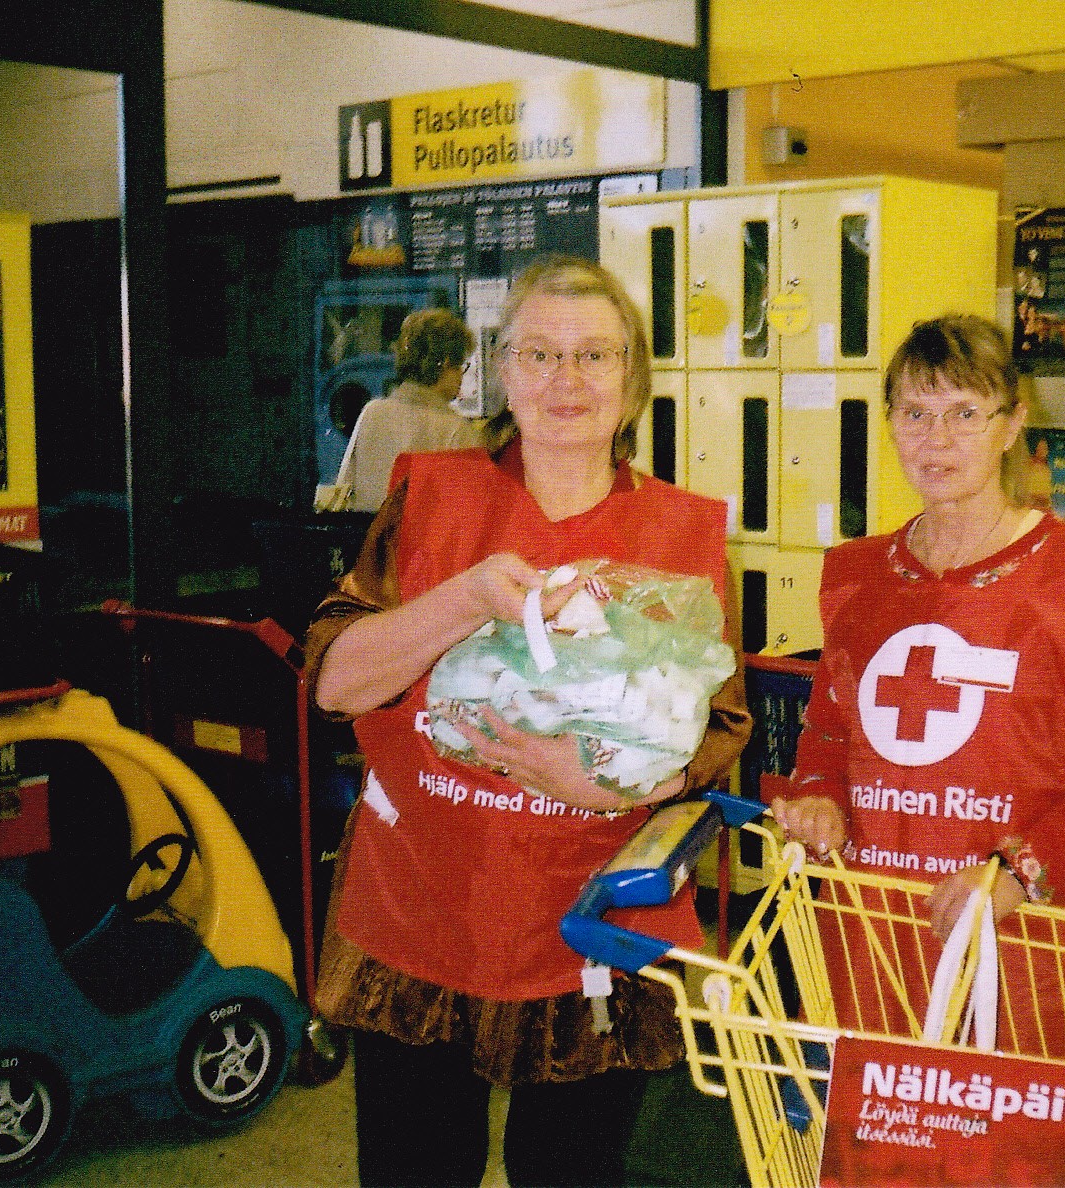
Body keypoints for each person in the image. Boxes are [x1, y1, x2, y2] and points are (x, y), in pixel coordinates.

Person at [305, 254, 751, 1188]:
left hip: (590, 921)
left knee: (572, 1170)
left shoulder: (683, 533)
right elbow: (335, 682)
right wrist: (463, 597)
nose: (567, 380)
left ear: (632, 381)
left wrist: (611, 780)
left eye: (595, 355)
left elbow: (720, 730)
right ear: (500, 371)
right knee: (414, 1168)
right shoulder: (432, 496)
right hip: (422, 907)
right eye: (539, 353)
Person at [770, 312, 1065, 1060]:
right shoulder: (859, 578)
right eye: (914, 413)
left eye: (964, 414)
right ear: (888, 424)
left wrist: (1014, 876)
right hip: (874, 927)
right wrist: (817, 797)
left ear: (1013, 424)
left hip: (1021, 937)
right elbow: (828, 735)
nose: (935, 439)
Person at [325, 307, 483, 513]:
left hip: (372, 541)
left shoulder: (372, 413)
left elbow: (345, 488)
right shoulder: (457, 431)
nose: (462, 378)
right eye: (461, 365)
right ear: (445, 364)